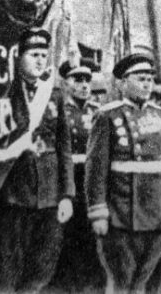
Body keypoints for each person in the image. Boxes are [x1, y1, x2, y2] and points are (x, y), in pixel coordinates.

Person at [0, 28, 75, 292]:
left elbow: (64, 148)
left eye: (43, 55)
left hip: (49, 195)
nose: (39, 61)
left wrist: (67, 194)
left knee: (43, 265)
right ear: (19, 57)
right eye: (33, 54)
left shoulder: (54, 94)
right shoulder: (4, 92)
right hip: (13, 192)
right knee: (6, 265)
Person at [85, 53, 161, 294]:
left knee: (143, 282)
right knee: (121, 282)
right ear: (123, 83)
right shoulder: (107, 116)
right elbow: (96, 168)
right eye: (140, 78)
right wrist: (98, 212)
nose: (147, 84)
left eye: (149, 79)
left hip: (155, 214)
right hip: (121, 214)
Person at [50, 63, 104, 293]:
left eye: (87, 80)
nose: (83, 85)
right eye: (77, 79)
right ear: (65, 82)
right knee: (65, 234)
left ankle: (89, 283)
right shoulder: (59, 109)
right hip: (66, 178)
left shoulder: (98, 111)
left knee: (91, 234)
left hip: (90, 179)